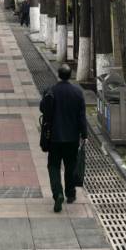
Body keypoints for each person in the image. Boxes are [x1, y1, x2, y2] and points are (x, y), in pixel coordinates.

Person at [39, 63, 87, 213]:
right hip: (72, 138)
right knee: (70, 165)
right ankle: (70, 194)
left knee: (53, 166)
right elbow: (82, 117)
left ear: (58, 75)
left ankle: (58, 193)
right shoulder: (77, 93)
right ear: (70, 75)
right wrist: (84, 134)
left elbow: (42, 108)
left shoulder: (50, 91)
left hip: (54, 137)